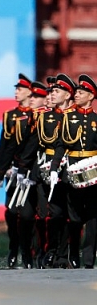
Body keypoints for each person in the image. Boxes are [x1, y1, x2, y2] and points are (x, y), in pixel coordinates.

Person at [24, 73, 74, 268]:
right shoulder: (44, 116)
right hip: (47, 168)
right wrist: (23, 168)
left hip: (71, 168)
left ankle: (65, 254)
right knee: (50, 214)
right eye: (51, 91)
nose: (51, 94)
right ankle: (50, 252)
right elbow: (34, 144)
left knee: (69, 215)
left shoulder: (74, 116)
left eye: (56, 91)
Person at [52, 74, 97, 268]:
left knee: (94, 218)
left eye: (81, 92)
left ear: (91, 96)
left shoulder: (96, 119)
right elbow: (61, 144)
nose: (76, 94)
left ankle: (88, 259)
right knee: (75, 217)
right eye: (76, 91)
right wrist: (54, 168)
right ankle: (73, 255)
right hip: (73, 171)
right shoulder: (68, 118)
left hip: (94, 173)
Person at [0, 74, 35, 268]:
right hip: (11, 172)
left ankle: (26, 251)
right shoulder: (10, 115)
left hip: (29, 172)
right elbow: (4, 145)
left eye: (20, 89)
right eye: (16, 89)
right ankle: (13, 246)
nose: (16, 92)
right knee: (11, 211)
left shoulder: (37, 116)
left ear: (29, 92)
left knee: (26, 214)